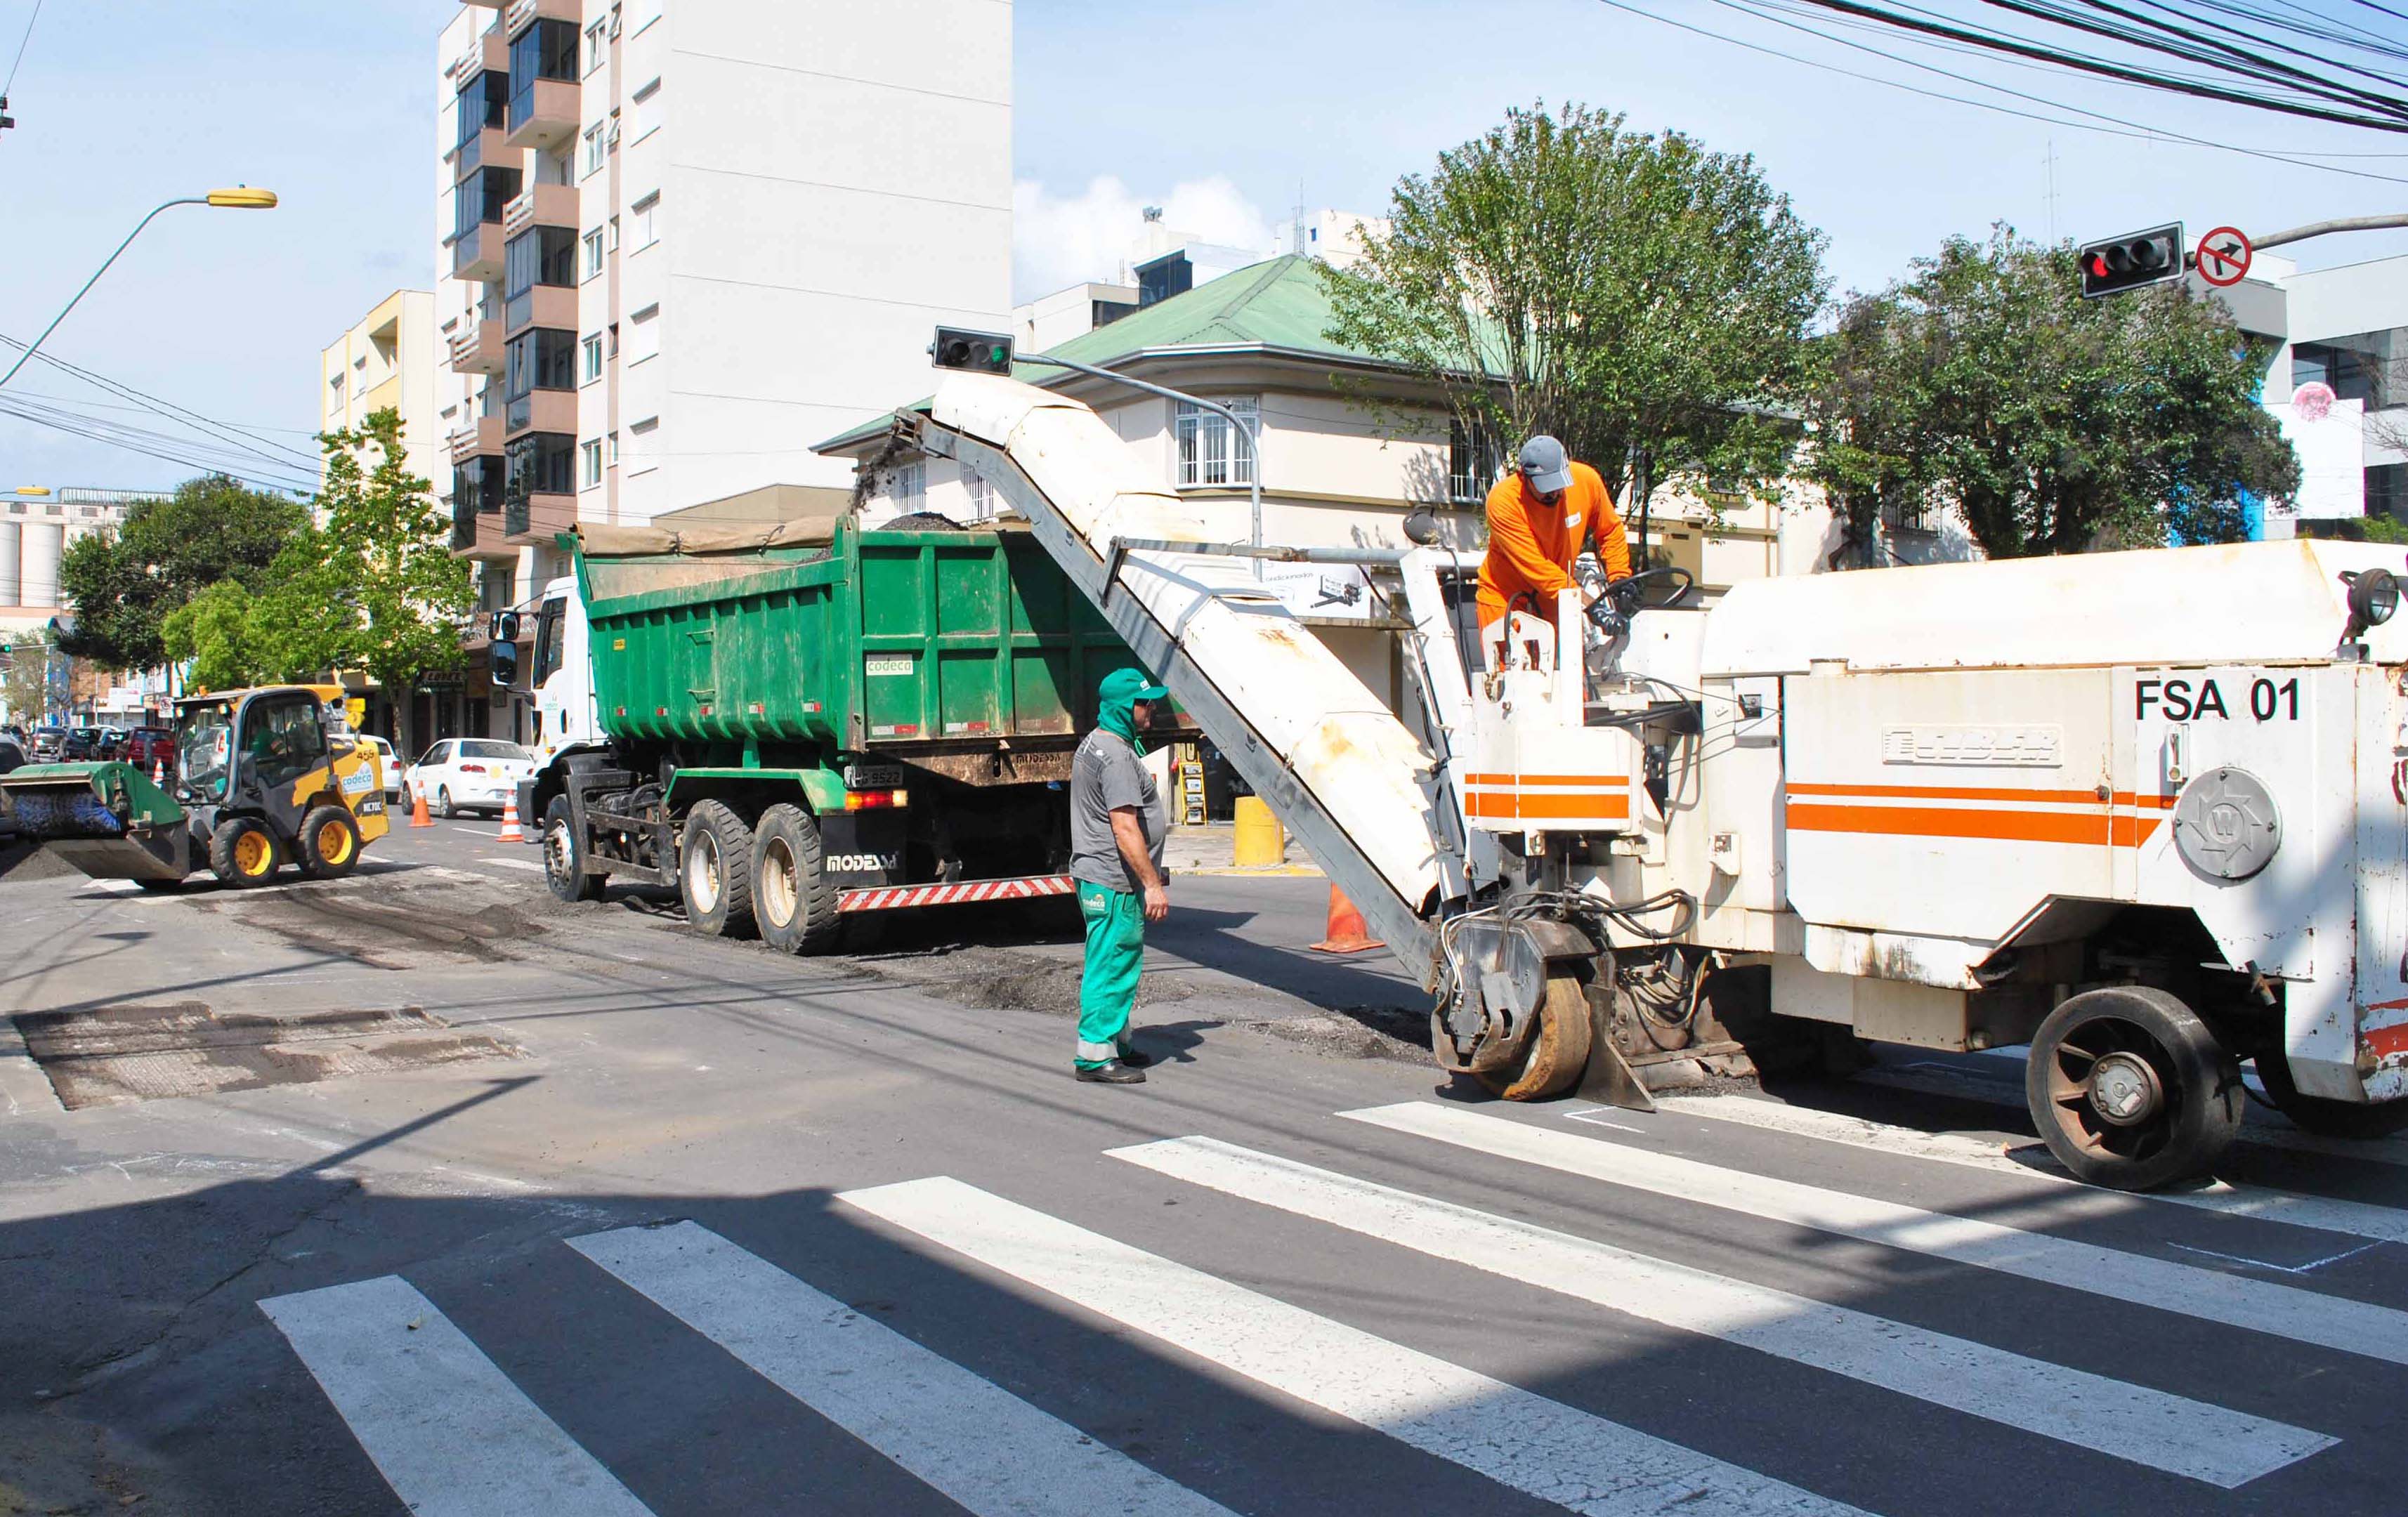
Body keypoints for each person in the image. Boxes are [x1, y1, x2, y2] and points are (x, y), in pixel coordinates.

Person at [1068, 666, 1170, 1084]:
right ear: (1127, 708)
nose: (1153, 709)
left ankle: (1117, 1043)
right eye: (1147, 703)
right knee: (1111, 963)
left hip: (1102, 876)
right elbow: (1124, 827)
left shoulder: (1098, 744)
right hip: (1113, 879)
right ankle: (1094, 1055)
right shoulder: (1115, 759)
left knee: (1118, 960)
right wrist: (1152, 884)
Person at [1475, 434, 1631, 671]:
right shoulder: (1503, 502)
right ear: (1523, 477)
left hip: (1557, 599)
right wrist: (1592, 606)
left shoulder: (1586, 480)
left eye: (1559, 485)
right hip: (1506, 601)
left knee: (1569, 686)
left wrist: (1620, 579)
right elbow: (1539, 570)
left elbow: (1610, 531)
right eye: (1546, 489)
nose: (1555, 494)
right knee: (1516, 689)